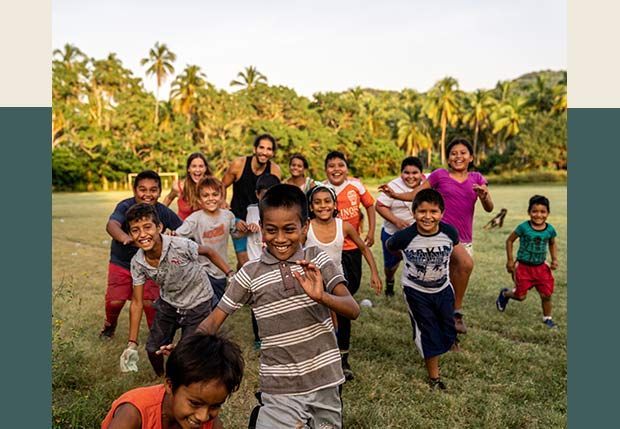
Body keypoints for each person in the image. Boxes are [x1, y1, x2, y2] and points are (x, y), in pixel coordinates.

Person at [196, 184, 360, 429]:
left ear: (305, 227)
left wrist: (322, 297)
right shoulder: (250, 273)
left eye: (289, 229)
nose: (280, 238)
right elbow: (215, 319)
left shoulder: (317, 259)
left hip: (325, 380)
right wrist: (186, 349)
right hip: (279, 387)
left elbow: (352, 309)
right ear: (261, 228)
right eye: (271, 230)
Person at [379, 138, 494, 333]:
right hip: (442, 235)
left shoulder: (477, 178)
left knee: (449, 282)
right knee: (465, 264)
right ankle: (456, 313)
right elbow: (417, 194)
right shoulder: (439, 175)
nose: (458, 156)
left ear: (471, 157)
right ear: (448, 158)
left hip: (464, 238)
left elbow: (489, 208)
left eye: (463, 153)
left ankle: (449, 327)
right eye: (453, 153)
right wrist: (395, 195)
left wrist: (485, 196)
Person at [121, 203, 234, 376]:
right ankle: (161, 377)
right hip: (169, 302)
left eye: (147, 227)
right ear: (130, 234)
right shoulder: (137, 263)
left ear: (159, 227)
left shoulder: (180, 245)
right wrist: (131, 343)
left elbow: (209, 252)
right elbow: (137, 303)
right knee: (152, 348)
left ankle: (182, 379)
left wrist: (230, 274)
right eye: (135, 230)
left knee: (187, 353)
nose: (142, 234)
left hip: (198, 301)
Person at [386, 189, 460, 390]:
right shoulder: (405, 237)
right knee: (429, 333)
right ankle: (434, 378)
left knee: (448, 330)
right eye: (422, 212)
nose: (428, 217)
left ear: (442, 213)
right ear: (414, 212)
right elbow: (391, 245)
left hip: (443, 289)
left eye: (434, 211)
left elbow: (454, 247)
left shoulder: (450, 233)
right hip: (416, 292)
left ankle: (439, 342)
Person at [100, 170, 183, 339]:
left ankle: (156, 335)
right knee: (115, 302)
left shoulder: (163, 212)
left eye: (153, 190)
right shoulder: (125, 206)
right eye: (143, 189)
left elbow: (184, 230)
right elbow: (111, 225)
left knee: (150, 303)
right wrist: (125, 238)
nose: (148, 194)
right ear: (134, 190)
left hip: (151, 264)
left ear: (159, 192)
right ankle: (110, 325)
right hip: (121, 262)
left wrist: (177, 236)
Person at [102, 333, 244, 429]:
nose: (203, 416)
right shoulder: (134, 413)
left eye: (215, 406)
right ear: (170, 385)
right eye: (195, 403)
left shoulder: (210, 423)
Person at [323, 150, 376, 380]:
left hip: (352, 250)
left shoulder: (356, 185)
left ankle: (341, 351)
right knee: (335, 302)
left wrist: (372, 231)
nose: (336, 169)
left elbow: (370, 206)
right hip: (328, 251)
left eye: (340, 165)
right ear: (325, 169)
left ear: (347, 168)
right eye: (331, 165)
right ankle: (338, 358)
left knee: (347, 296)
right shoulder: (319, 188)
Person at [496, 195, 559, 328]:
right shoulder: (524, 227)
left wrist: (554, 259)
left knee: (546, 294)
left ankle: (547, 318)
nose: (538, 215)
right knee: (520, 296)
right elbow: (509, 241)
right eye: (534, 211)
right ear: (529, 212)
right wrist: (510, 261)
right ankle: (505, 293)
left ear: (548, 213)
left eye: (543, 212)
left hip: (541, 268)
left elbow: (552, 243)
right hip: (523, 268)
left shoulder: (550, 230)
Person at [175, 176, 239, 308]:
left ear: (221, 196)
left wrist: (244, 227)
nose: (211, 198)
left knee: (217, 308)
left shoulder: (228, 216)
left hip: (221, 272)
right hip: (202, 273)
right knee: (204, 307)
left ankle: (212, 328)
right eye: (205, 195)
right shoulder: (194, 220)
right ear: (199, 199)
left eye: (215, 194)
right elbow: (176, 237)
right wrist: (172, 234)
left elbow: (236, 233)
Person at [222, 134, 282, 270]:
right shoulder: (239, 164)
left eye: (269, 149)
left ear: (272, 153)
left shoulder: (275, 170)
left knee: (258, 256)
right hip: (239, 218)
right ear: (255, 149)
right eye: (261, 147)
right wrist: (223, 204)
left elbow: (276, 196)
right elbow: (222, 186)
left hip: (260, 218)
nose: (264, 152)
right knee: (244, 260)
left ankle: (241, 281)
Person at [237, 173, 281, 350]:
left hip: (275, 263)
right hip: (256, 264)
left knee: (276, 301)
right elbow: (239, 231)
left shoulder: (281, 210)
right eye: (264, 194)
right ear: (257, 194)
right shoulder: (250, 210)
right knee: (257, 303)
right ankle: (259, 338)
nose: (268, 198)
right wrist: (247, 227)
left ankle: (277, 335)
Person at [375, 156, 424, 297]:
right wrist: (396, 221)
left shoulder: (426, 182)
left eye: (414, 173)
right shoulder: (393, 186)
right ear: (401, 173)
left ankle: (417, 291)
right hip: (392, 234)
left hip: (417, 234)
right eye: (406, 173)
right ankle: (389, 283)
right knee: (390, 267)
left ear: (421, 173)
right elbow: (379, 205)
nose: (410, 176)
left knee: (418, 264)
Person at [163, 152, 213, 220]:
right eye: (194, 166)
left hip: (204, 229)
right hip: (183, 228)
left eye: (201, 166)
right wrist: (159, 216)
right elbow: (168, 199)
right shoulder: (179, 187)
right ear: (188, 169)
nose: (197, 170)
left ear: (205, 169)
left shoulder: (213, 187)